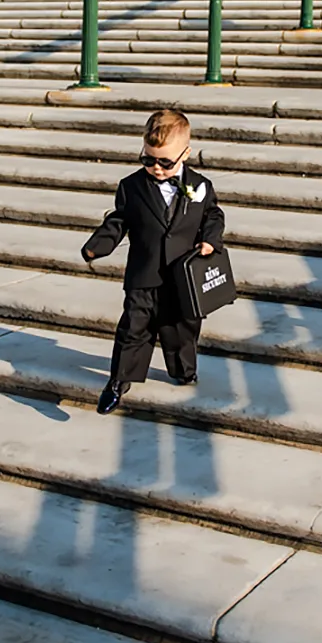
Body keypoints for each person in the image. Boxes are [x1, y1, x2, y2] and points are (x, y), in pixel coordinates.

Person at [82, 107, 225, 415]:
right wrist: (98, 246)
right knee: (133, 327)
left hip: (183, 275)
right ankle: (119, 381)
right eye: (148, 159)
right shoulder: (131, 186)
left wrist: (211, 241)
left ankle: (183, 369)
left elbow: (213, 214)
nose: (156, 168)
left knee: (182, 328)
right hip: (144, 273)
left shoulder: (200, 186)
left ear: (186, 153)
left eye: (165, 161)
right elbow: (119, 220)